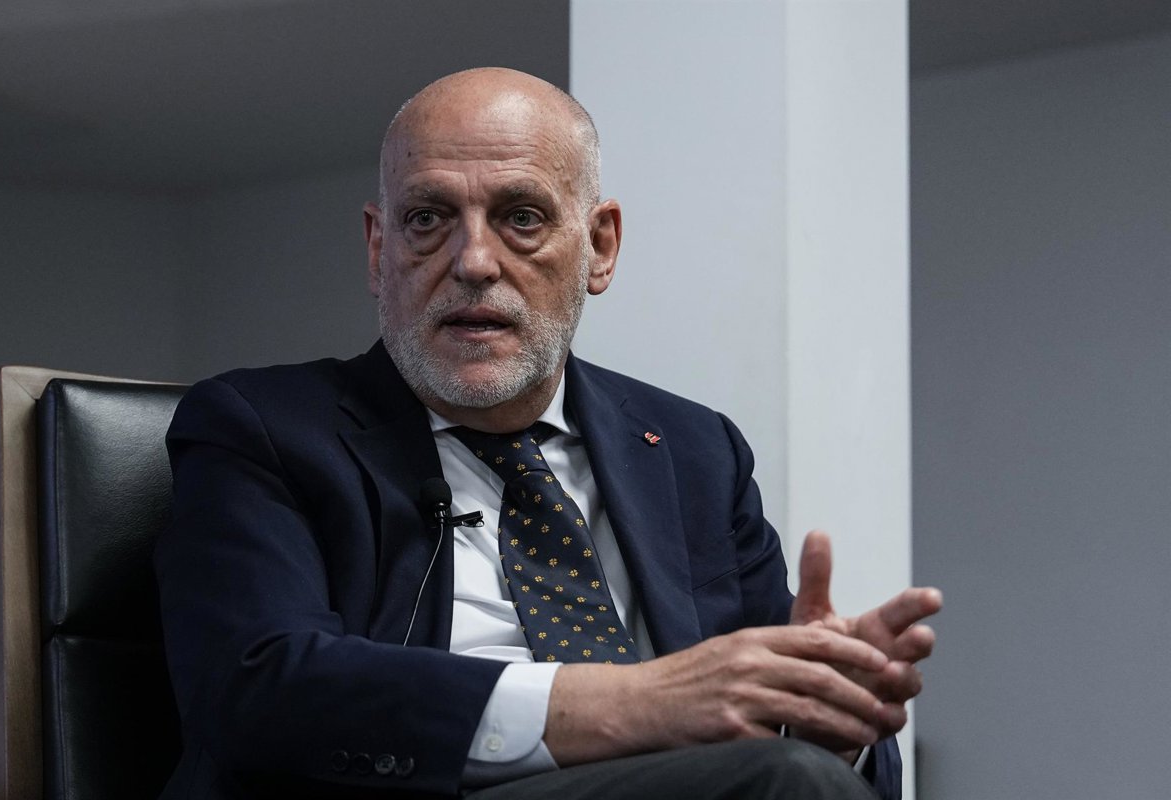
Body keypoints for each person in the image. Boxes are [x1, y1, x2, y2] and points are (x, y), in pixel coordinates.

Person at [154, 67, 941, 800]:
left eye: (521, 218)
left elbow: (776, 737)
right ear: (378, 247)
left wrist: (821, 714)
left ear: (600, 246)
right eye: (427, 219)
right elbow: (258, 688)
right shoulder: (264, 426)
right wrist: (640, 703)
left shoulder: (695, 451)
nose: (473, 261)